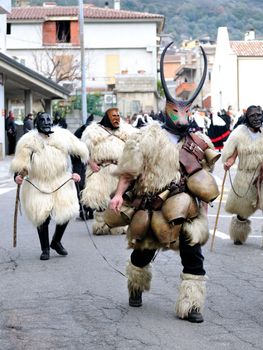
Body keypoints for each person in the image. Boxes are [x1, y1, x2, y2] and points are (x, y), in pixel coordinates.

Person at [109, 42, 220, 323]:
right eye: (177, 112)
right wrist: (119, 195)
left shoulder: (198, 141)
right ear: (167, 110)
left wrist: (204, 208)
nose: (182, 117)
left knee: (193, 258)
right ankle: (136, 285)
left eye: (186, 112)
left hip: (188, 210)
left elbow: (204, 177)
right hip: (153, 207)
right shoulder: (147, 138)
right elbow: (128, 172)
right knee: (143, 255)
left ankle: (191, 305)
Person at [10, 111, 89, 260]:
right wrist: (18, 176)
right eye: (43, 120)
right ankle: (45, 248)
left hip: (60, 179)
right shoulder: (28, 141)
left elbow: (78, 154)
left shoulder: (63, 136)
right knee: (42, 215)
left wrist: (77, 172)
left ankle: (56, 241)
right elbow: (21, 163)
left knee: (67, 212)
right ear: (36, 123)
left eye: (48, 119)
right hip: (38, 182)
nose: (46, 122)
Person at [81, 107, 135, 235]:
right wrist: (91, 163)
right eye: (113, 116)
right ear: (107, 117)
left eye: (118, 116)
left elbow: (134, 147)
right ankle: (101, 225)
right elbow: (83, 150)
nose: (116, 119)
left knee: (119, 197)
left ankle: (119, 224)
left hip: (118, 170)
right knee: (100, 199)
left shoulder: (126, 131)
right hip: (100, 170)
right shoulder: (92, 132)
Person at [222, 105, 263, 245]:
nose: (256, 118)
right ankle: (239, 234)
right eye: (253, 116)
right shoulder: (239, 134)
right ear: (247, 118)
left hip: (262, 175)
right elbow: (233, 155)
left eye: (259, 114)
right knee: (242, 212)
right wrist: (229, 162)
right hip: (245, 176)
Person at [71, 114, 94, 220]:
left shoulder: (83, 132)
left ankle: (87, 209)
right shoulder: (81, 134)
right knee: (83, 185)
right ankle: (84, 210)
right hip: (79, 161)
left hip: (83, 162)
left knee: (86, 186)